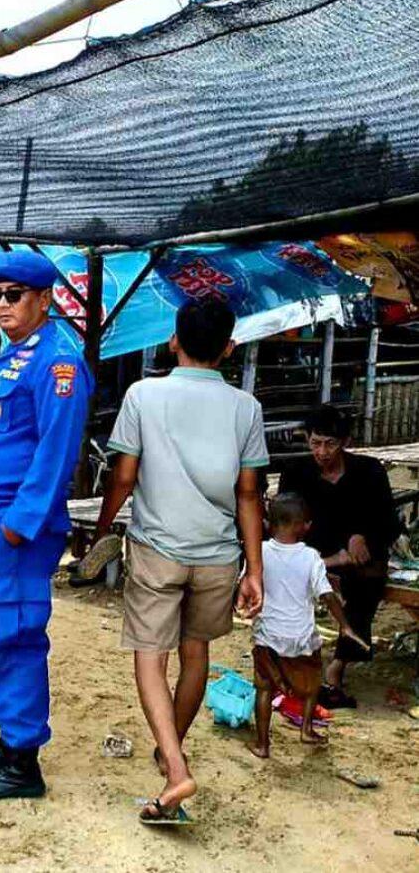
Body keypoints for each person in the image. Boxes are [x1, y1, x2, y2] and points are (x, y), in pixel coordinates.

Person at [94, 299, 266, 824]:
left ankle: (175, 767)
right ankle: (172, 747)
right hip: (217, 556)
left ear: (174, 342)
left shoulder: (143, 394)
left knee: (151, 656)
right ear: (229, 348)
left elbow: (123, 476)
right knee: (196, 657)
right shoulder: (246, 408)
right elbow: (249, 493)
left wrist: (102, 527)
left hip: (157, 551)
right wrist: (254, 569)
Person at [0, 251, 91, 801]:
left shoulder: (58, 362)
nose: (1, 305)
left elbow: (56, 452)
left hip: (13, 529)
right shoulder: (16, 354)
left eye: (13, 295)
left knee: (14, 633)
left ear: (44, 298)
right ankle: (11, 741)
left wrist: (18, 524)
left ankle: (24, 762)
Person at [278, 405, 401, 709]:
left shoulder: (369, 472)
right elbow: (284, 525)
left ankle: (337, 666)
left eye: (330, 444)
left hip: (356, 556)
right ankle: (289, 663)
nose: (322, 451)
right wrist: (324, 561)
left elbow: (388, 521)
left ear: (345, 442)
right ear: (307, 440)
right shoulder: (296, 474)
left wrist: (364, 537)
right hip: (311, 553)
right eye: (315, 443)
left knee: (368, 584)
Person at [249, 493, 366, 759]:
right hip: (301, 636)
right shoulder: (311, 557)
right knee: (313, 684)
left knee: (264, 688)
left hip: (268, 635)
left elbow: (248, 583)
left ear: (270, 524)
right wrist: (345, 626)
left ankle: (263, 744)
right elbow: (326, 594)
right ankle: (306, 728)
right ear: (304, 526)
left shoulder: (260, 551)